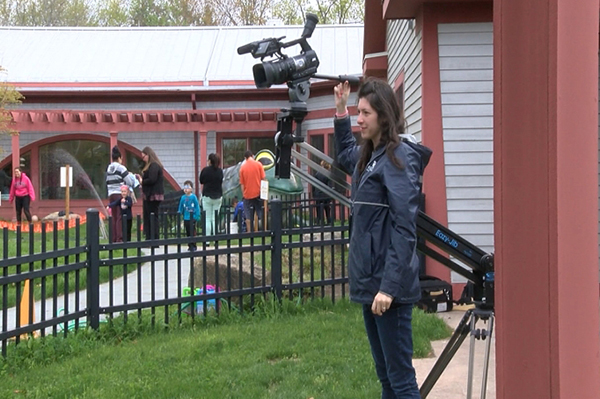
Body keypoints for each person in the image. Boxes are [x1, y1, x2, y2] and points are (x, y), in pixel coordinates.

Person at [334, 77, 431, 399]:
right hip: (370, 284)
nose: (358, 119)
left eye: (365, 114)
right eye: (357, 112)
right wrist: (339, 109)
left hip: (389, 289)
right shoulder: (370, 156)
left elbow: (405, 229)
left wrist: (389, 287)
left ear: (384, 117)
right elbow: (346, 152)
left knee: (401, 381)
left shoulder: (398, 160)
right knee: (386, 378)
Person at [106, 146, 136, 242]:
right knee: (120, 217)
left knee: (114, 216)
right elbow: (129, 182)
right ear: (119, 157)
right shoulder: (121, 168)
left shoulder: (109, 168)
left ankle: (113, 238)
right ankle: (120, 239)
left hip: (111, 194)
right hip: (120, 194)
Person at [135, 146, 164, 241]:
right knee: (148, 216)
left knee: (152, 216)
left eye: (144, 157)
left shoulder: (154, 166)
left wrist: (142, 181)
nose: (143, 159)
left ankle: (153, 238)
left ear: (148, 155)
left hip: (153, 195)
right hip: (148, 195)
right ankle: (149, 237)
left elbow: (152, 179)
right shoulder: (152, 166)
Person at [239, 150, 265, 232]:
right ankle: (260, 230)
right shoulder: (259, 165)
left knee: (248, 216)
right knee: (258, 213)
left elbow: (242, 184)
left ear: (245, 158)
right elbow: (263, 179)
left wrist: (243, 194)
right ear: (252, 156)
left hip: (247, 195)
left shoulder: (242, 168)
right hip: (258, 193)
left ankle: (250, 232)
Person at [199, 153, 223, 237]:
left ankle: (207, 240)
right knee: (215, 218)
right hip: (218, 196)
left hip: (207, 196)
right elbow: (221, 181)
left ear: (209, 161)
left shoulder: (205, 170)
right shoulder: (220, 171)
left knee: (207, 218)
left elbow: (201, 180)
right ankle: (215, 237)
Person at [178, 180, 200, 251]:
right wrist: (179, 211)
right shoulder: (183, 198)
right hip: (186, 217)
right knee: (187, 231)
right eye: (185, 187)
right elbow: (181, 206)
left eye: (187, 187)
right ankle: (189, 244)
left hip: (192, 217)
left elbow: (197, 206)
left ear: (191, 189)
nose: (186, 189)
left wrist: (197, 215)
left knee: (192, 231)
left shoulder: (193, 197)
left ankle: (193, 245)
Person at [312, 160, 333, 225]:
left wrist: (314, 194)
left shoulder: (317, 173)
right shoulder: (328, 174)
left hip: (318, 194)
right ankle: (329, 221)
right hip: (325, 194)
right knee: (327, 209)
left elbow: (314, 185)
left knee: (319, 209)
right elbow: (329, 186)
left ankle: (320, 221)